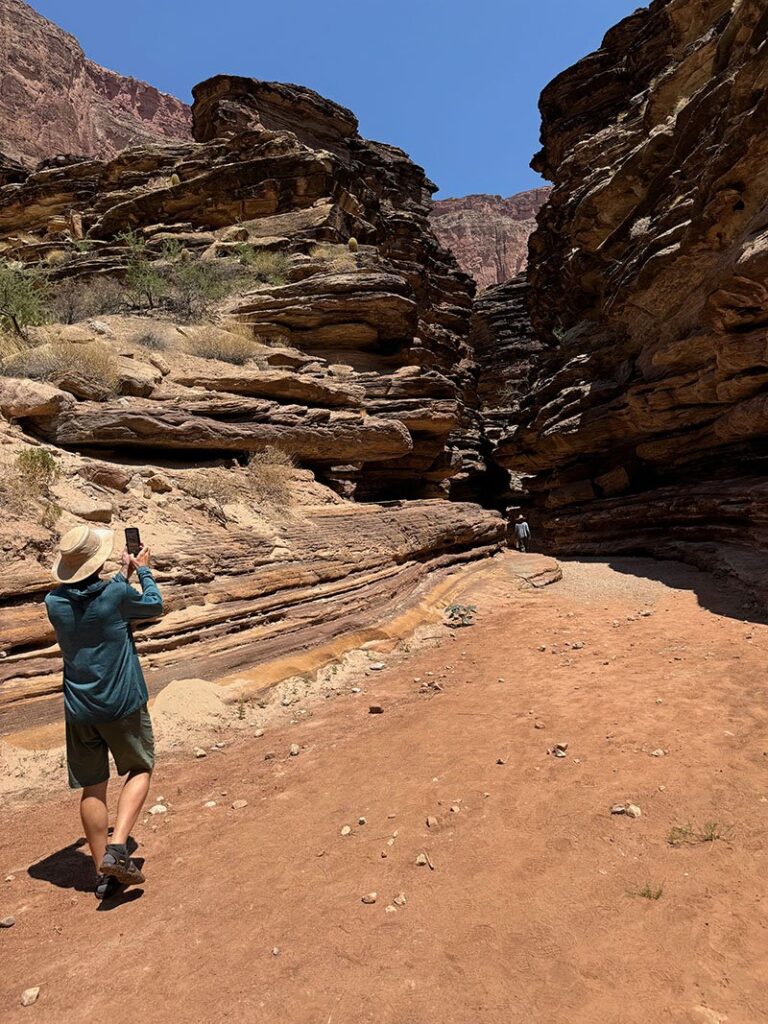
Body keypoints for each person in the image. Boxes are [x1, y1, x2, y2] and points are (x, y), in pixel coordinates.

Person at [45, 525, 163, 899]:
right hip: (122, 703)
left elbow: (90, 601)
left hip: (79, 709)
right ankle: (117, 848)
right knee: (140, 767)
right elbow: (154, 605)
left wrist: (122, 574)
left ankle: (103, 876)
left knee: (93, 787)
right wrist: (142, 569)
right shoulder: (115, 595)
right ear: (97, 562)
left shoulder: (54, 604)